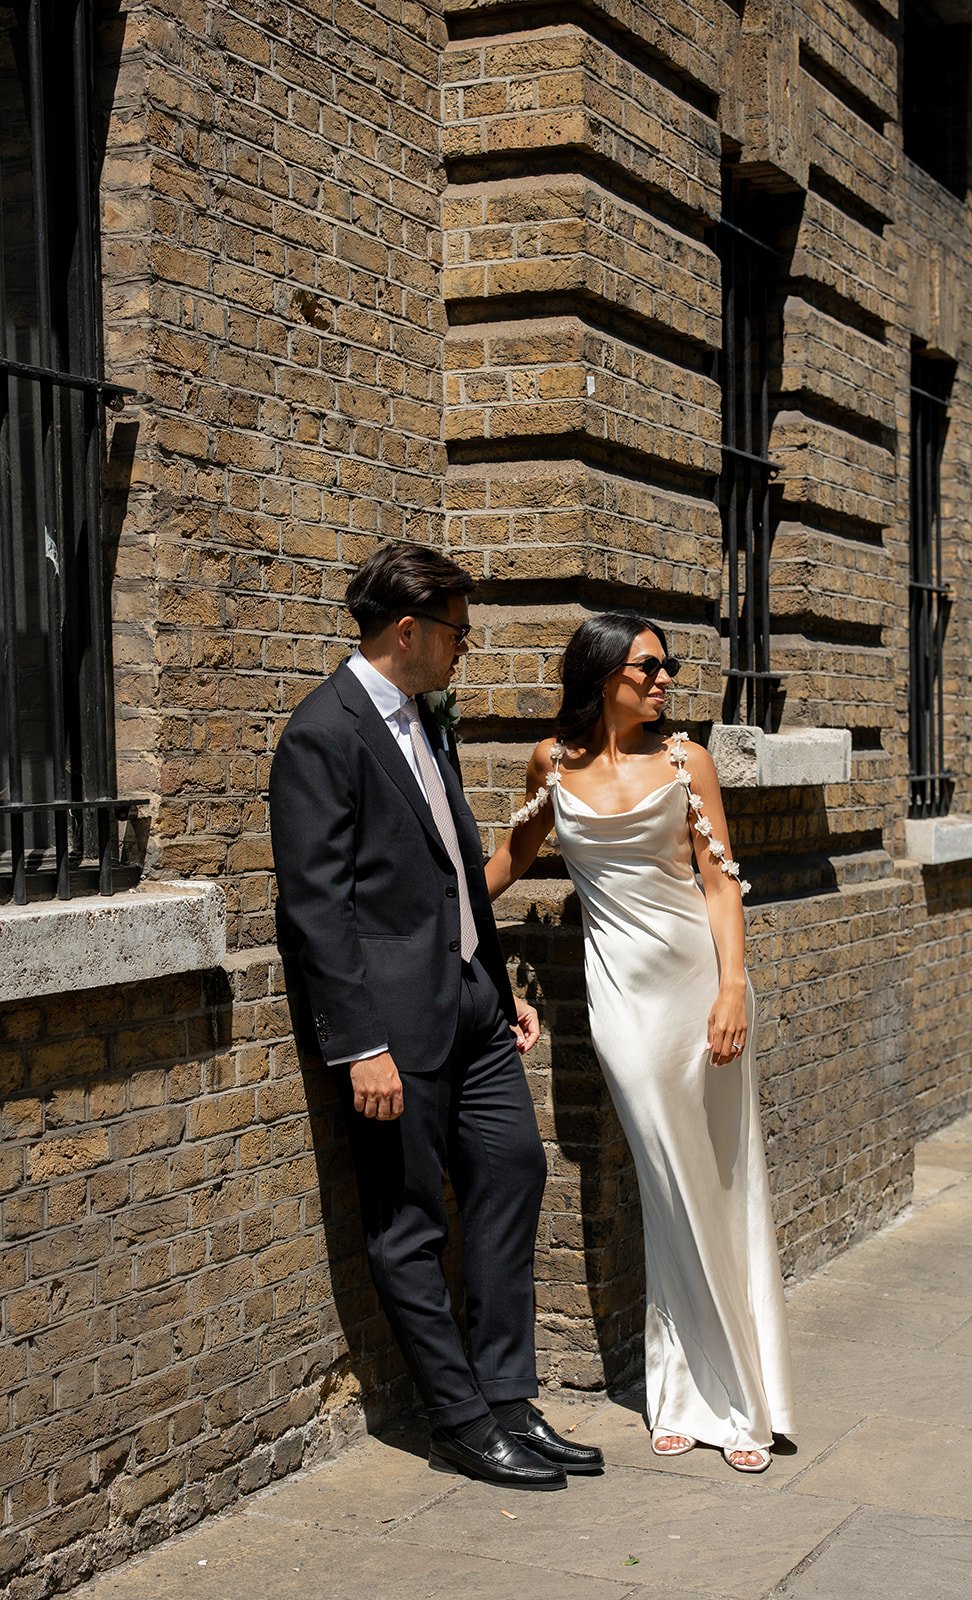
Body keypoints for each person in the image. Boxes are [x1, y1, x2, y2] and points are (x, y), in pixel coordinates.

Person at [269, 542, 603, 1491]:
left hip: (469, 1005)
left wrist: (496, 991)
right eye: (458, 631)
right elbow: (316, 908)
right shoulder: (321, 734)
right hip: (393, 1029)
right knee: (408, 1221)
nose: (466, 647)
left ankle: (506, 1398)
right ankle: (458, 1418)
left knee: (511, 1172)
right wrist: (361, 1044)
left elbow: (453, 873)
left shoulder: (423, 719)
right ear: (408, 630)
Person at [486, 613, 796, 1472]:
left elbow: (719, 884)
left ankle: (731, 1402)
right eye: (647, 667)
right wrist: (442, 922)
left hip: (701, 988)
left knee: (715, 1181)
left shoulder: (686, 761)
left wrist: (733, 988)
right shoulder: (552, 762)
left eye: (667, 667)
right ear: (601, 675)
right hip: (621, 1001)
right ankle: (691, 1386)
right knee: (667, 1182)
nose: (664, 680)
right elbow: (508, 861)